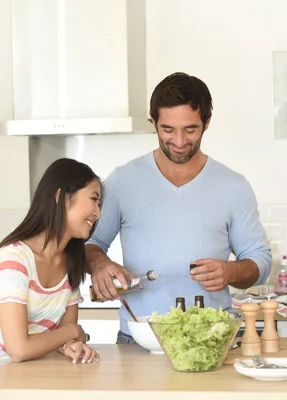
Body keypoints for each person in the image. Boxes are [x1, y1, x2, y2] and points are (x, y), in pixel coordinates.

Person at [85, 72, 272, 344]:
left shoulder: (233, 186)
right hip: (138, 338)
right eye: (168, 129)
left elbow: (261, 262)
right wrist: (100, 264)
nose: (180, 141)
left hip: (209, 339)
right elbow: (91, 243)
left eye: (191, 129)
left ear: (207, 122)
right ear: (153, 119)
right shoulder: (122, 181)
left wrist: (230, 272)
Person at [0, 158, 101, 364]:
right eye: (93, 199)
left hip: (39, 374)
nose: (97, 213)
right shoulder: (15, 258)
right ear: (61, 196)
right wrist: (72, 332)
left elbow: (66, 338)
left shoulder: (70, 262)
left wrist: (71, 345)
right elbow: (18, 349)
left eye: (99, 204)